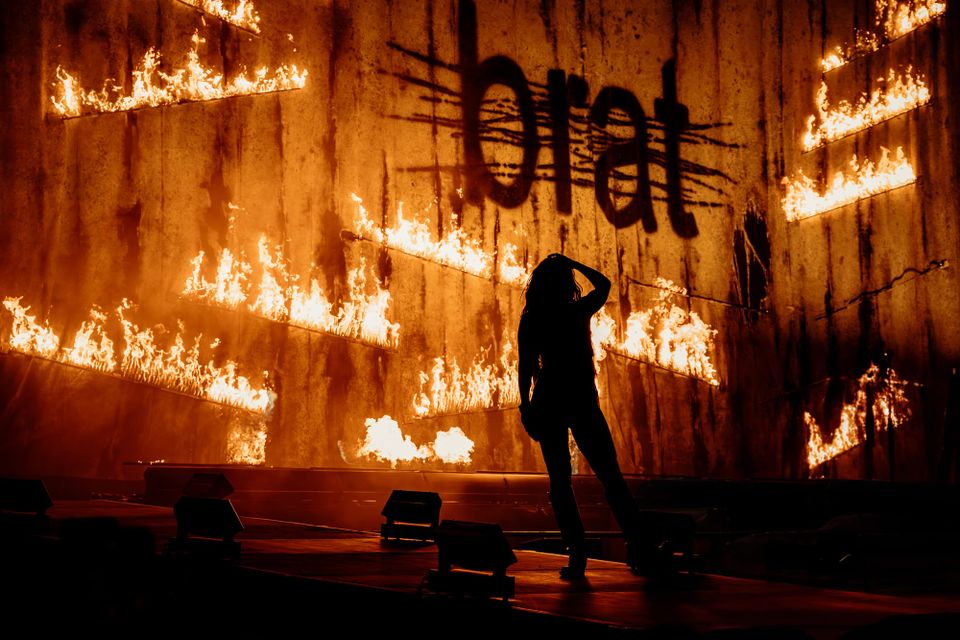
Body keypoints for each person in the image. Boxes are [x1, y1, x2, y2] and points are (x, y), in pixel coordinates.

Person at [518, 253, 644, 580]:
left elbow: (525, 365)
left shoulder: (533, 318)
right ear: (566, 284)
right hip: (581, 398)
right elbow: (603, 284)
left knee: (560, 481)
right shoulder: (576, 312)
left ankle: (577, 555)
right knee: (609, 475)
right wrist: (573, 263)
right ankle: (639, 545)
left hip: (547, 399)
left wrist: (525, 406)